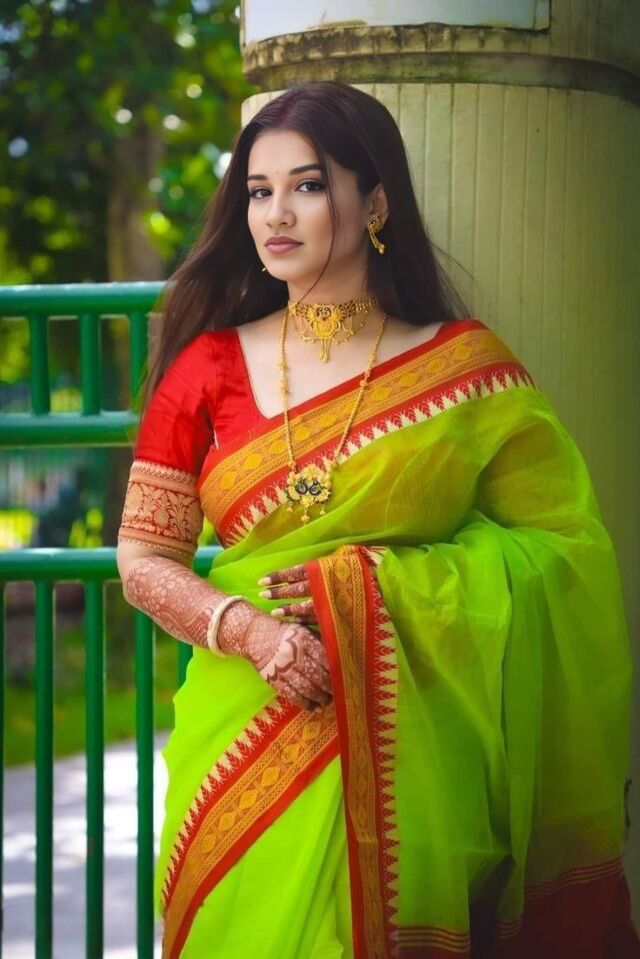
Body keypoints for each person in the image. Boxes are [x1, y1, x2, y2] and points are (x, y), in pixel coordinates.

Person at [116, 80, 639, 958]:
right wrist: (252, 632)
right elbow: (141, 559)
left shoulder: (465, 369)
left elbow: (563, 552)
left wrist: (380, 588)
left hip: (416, 753)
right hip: (244, 731)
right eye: (258, 191)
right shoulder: (205, 367)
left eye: (308, 185)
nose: (276, 214)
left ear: (376, 202)